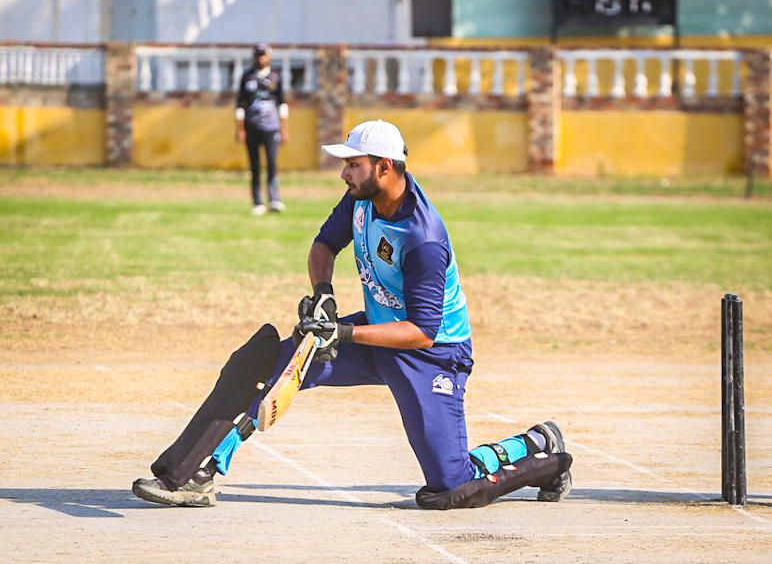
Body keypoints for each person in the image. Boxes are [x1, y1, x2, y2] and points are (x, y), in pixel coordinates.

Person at [132, 119, 573, 509]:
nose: (344, 173)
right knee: (263, 366)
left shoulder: (422, 238)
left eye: (354, 164)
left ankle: (541, 451)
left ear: (384, 167)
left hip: (432, 356)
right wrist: (323, 294)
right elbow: (324, 245)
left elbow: (422, 331)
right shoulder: (361, 200)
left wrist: (342, 333)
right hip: (374, 333)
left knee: (449, 487)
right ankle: (191, 474)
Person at [234, 43, 289, 215]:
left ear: (269, 57)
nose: (261, 58)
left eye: (263, 55)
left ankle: (274, 199)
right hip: (251, 126)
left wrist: (284, 129)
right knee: (255, 165)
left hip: (271, 127)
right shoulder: (247, 76)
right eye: (258, 55)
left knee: (272, 163)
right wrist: (240, 129)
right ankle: (257, 202)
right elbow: (240, 105)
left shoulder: (276, 76)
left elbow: (282, 103)